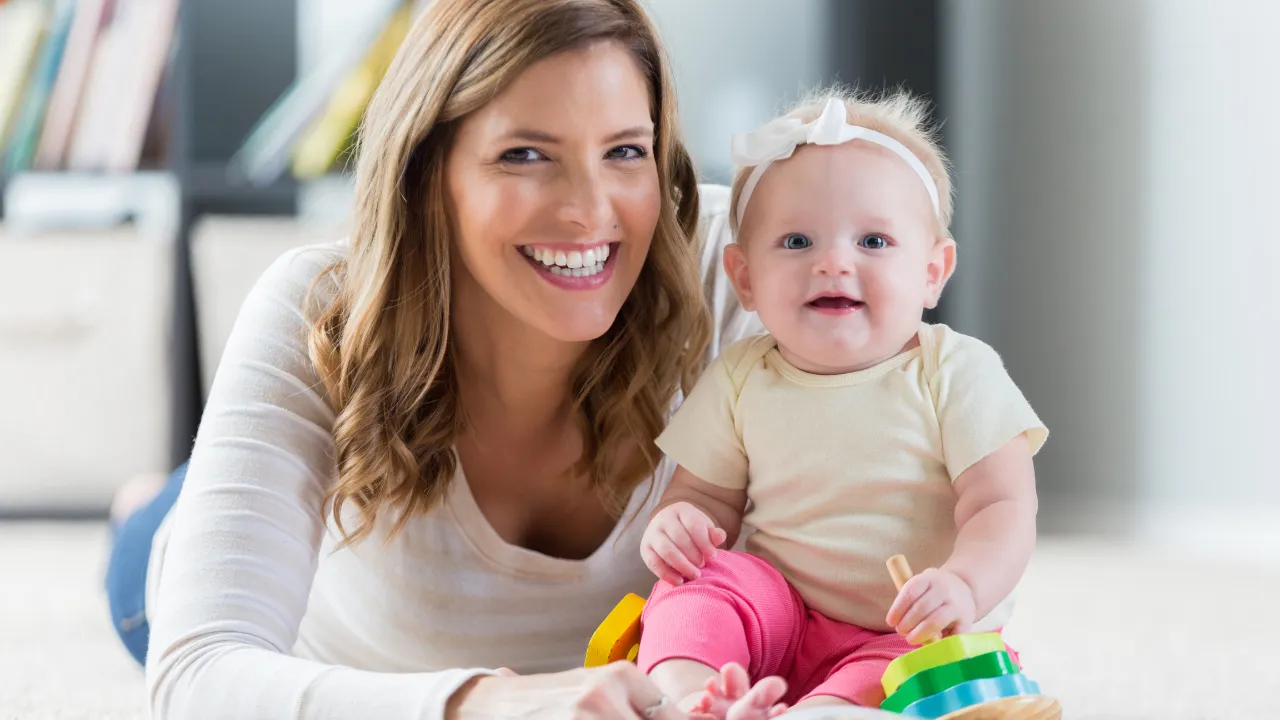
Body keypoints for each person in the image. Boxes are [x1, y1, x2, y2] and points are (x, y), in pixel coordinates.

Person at [103, 0, 763, 717]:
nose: (588, 208)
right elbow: (199, 675)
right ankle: (145, 502)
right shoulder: (318, 312)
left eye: (626, 151)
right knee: (157, 537)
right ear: (426, 170)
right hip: (299, 632)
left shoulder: (748, 267)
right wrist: (493, 704)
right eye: (525, 154)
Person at [634, 91, 1049, 719]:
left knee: (896, 685)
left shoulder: (954, 372)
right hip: (778, 615)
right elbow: (707, 497)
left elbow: (1001, 504)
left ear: (934, 271)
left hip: (903, 631)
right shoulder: (742, 376)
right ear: (744, 278)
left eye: (874, 241)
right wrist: (679, 524)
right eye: (797, 240)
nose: (833, 263)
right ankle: (690, 697)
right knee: (699, 587)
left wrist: (963, 584)